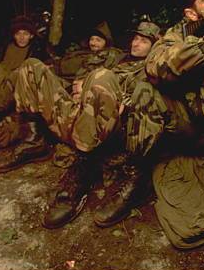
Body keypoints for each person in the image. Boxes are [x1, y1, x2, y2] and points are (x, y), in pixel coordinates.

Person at [13, 21, 162, 228]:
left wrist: (118, 100)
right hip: (79, 114)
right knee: (32, 66)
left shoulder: (151, 70)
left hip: (106, 130)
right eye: (135, 38)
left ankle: (81, 170)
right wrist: (78, 86)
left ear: (155, 46)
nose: (136, 43)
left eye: (143, 41)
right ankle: (33, 141)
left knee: (102, 76)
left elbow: (148, 103)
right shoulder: (117, 58)